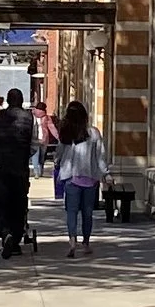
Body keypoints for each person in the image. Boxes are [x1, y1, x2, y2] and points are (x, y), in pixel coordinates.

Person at [0, 85, 36, 257]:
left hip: (1, 166)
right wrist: (25, 156)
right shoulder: (30, 118)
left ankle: (5, 232)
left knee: (1, 202)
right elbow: (36, 142)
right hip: (20, 167)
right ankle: (15, 239)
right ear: (21, 101)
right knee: (19, 203)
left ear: (7, 101)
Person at [53, 98, 106, 252]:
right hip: (90, 179)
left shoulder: (66, 134)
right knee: (87, 213)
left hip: (71, 178)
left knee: (71, 212)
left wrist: (57, 163)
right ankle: (86, 243)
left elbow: (59, 153)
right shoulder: (94, 133)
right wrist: (106, 174)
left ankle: (72, 242)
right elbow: (100, 156)